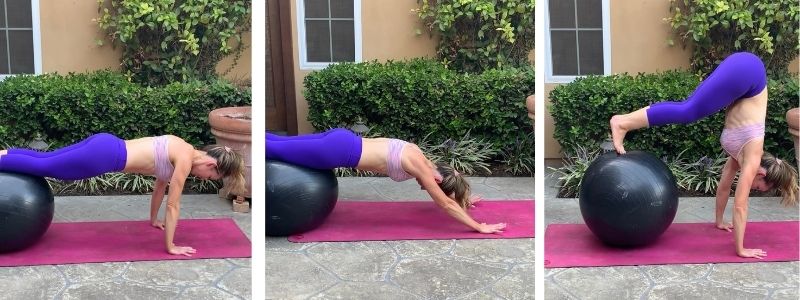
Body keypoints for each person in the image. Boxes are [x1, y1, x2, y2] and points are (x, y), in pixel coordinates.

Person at [608, 52, 798, 259]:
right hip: (749, 73)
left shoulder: (740, 157)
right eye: (759, 188)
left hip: (747, 72)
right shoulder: (752, 159)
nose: (755, 189)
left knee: (689, 109)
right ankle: (622, 122)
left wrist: (719, 221)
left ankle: (623, 122)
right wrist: (741, 249)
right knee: (688, 111)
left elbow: (724, 186)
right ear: (762, 174)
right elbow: (741, 206)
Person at [0, 133, 246, 256]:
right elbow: (174, 205)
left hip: (106, 143)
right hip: (106, 156)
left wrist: (153, 220)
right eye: (211, 177)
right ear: (212, 165)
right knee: (48, 167)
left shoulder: (181, 146)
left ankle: (5, 154)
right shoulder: (183, 159)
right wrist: (171, 246)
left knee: (47, 159)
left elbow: (160, 186)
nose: (205, 179)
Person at [266, 129, 507, 234]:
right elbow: (445, 204)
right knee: (271, 148)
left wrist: (463, 198)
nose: (426, 188)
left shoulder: (420, 155)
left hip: (342, 139)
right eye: (431, 187)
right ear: (436, 178)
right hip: (336, 152)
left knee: (277, 143)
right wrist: (478, 226)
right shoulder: (423, 170)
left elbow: (450, 186)